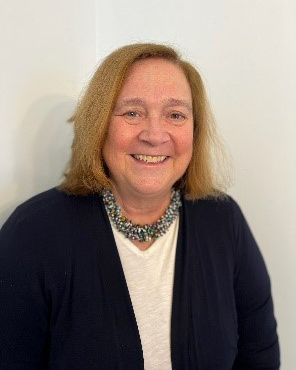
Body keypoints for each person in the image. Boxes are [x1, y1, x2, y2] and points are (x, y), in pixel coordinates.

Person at [0, 43, 280, 369]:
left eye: (175, 115)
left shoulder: (223, 220)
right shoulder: (33, 234)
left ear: (194, 130)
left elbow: (259, 357)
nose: (154, 134)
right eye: (132, 112)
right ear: (99, 124)